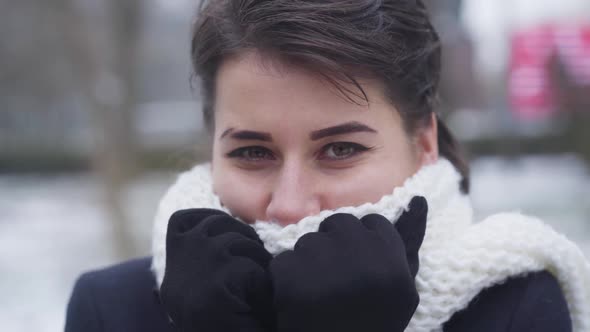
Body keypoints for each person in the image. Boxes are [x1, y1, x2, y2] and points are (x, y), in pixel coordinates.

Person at [64, 1, 590, 331]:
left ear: (424, 141)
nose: (290, 204)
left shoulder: (512, 308)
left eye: (340, 149)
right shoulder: (113, 309)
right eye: (252, 152)